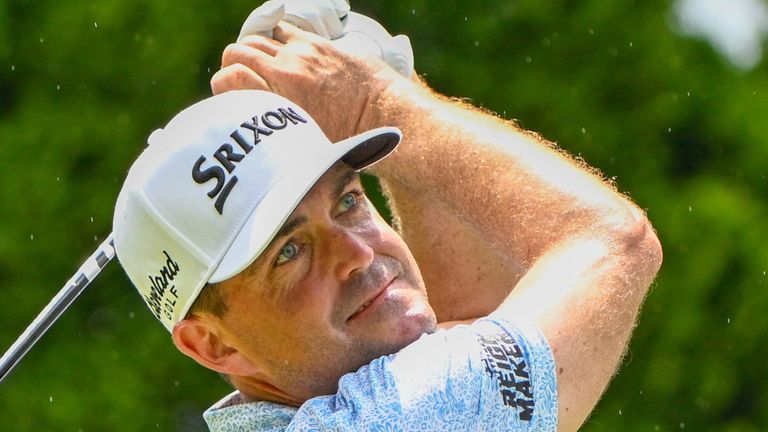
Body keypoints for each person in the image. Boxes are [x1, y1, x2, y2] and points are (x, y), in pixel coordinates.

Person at [112, 4, 662, 431]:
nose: (358, 253)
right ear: (212, 345)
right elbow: (613, 242)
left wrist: (393, 85)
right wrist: (377, 103)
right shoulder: (397, 420)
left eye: (348, 201)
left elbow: (471, 325)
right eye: (288, 253)